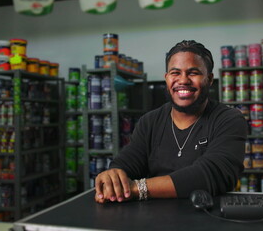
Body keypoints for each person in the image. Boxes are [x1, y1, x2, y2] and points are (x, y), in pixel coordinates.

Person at [95, 40, 247, 203]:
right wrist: (114, 176)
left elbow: (212, 174)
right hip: (154, 221)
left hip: (209, 217)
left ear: (209, 79)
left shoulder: (228, 119)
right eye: (175, 73)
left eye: (193, 72)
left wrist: (136, 189)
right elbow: (129, 160)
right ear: (166, 78)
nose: (183, 80)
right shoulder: (150, 121)